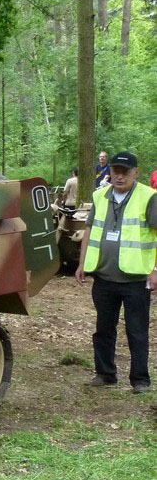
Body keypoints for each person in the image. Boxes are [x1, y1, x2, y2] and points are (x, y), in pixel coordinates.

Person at [74, 151, 157, 394]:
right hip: (104, 276)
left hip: (136, 278)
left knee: (137, 330)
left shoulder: (149, 197)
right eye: (115, 171)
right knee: (103, 328)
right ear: (110, 172)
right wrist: (82, 263)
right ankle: (105, 373)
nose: (119, 176)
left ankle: (140, 380)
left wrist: (155, 270)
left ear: (135, 173)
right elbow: (89, 230)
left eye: (125, 171)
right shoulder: (100, 196)